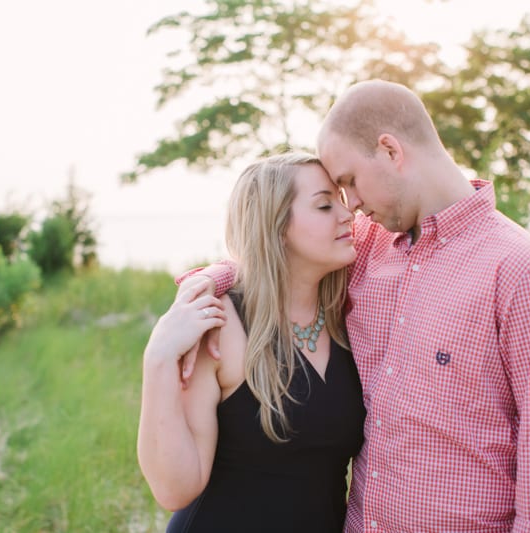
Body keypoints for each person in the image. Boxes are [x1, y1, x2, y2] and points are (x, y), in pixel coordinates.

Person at [178, 80, 530, 532]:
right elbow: (271, 255)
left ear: (391, 151)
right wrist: (205, 283)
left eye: (350, 182)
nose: (351, 205)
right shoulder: (366, 247)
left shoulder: (523, 274)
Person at [137, 152, 366, 532]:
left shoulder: (350, 316)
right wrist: (158, 357)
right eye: (325, 205)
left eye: (342, 202)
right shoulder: (222, 324)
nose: (348, 215)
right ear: (276, 228)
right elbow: (175, 489)